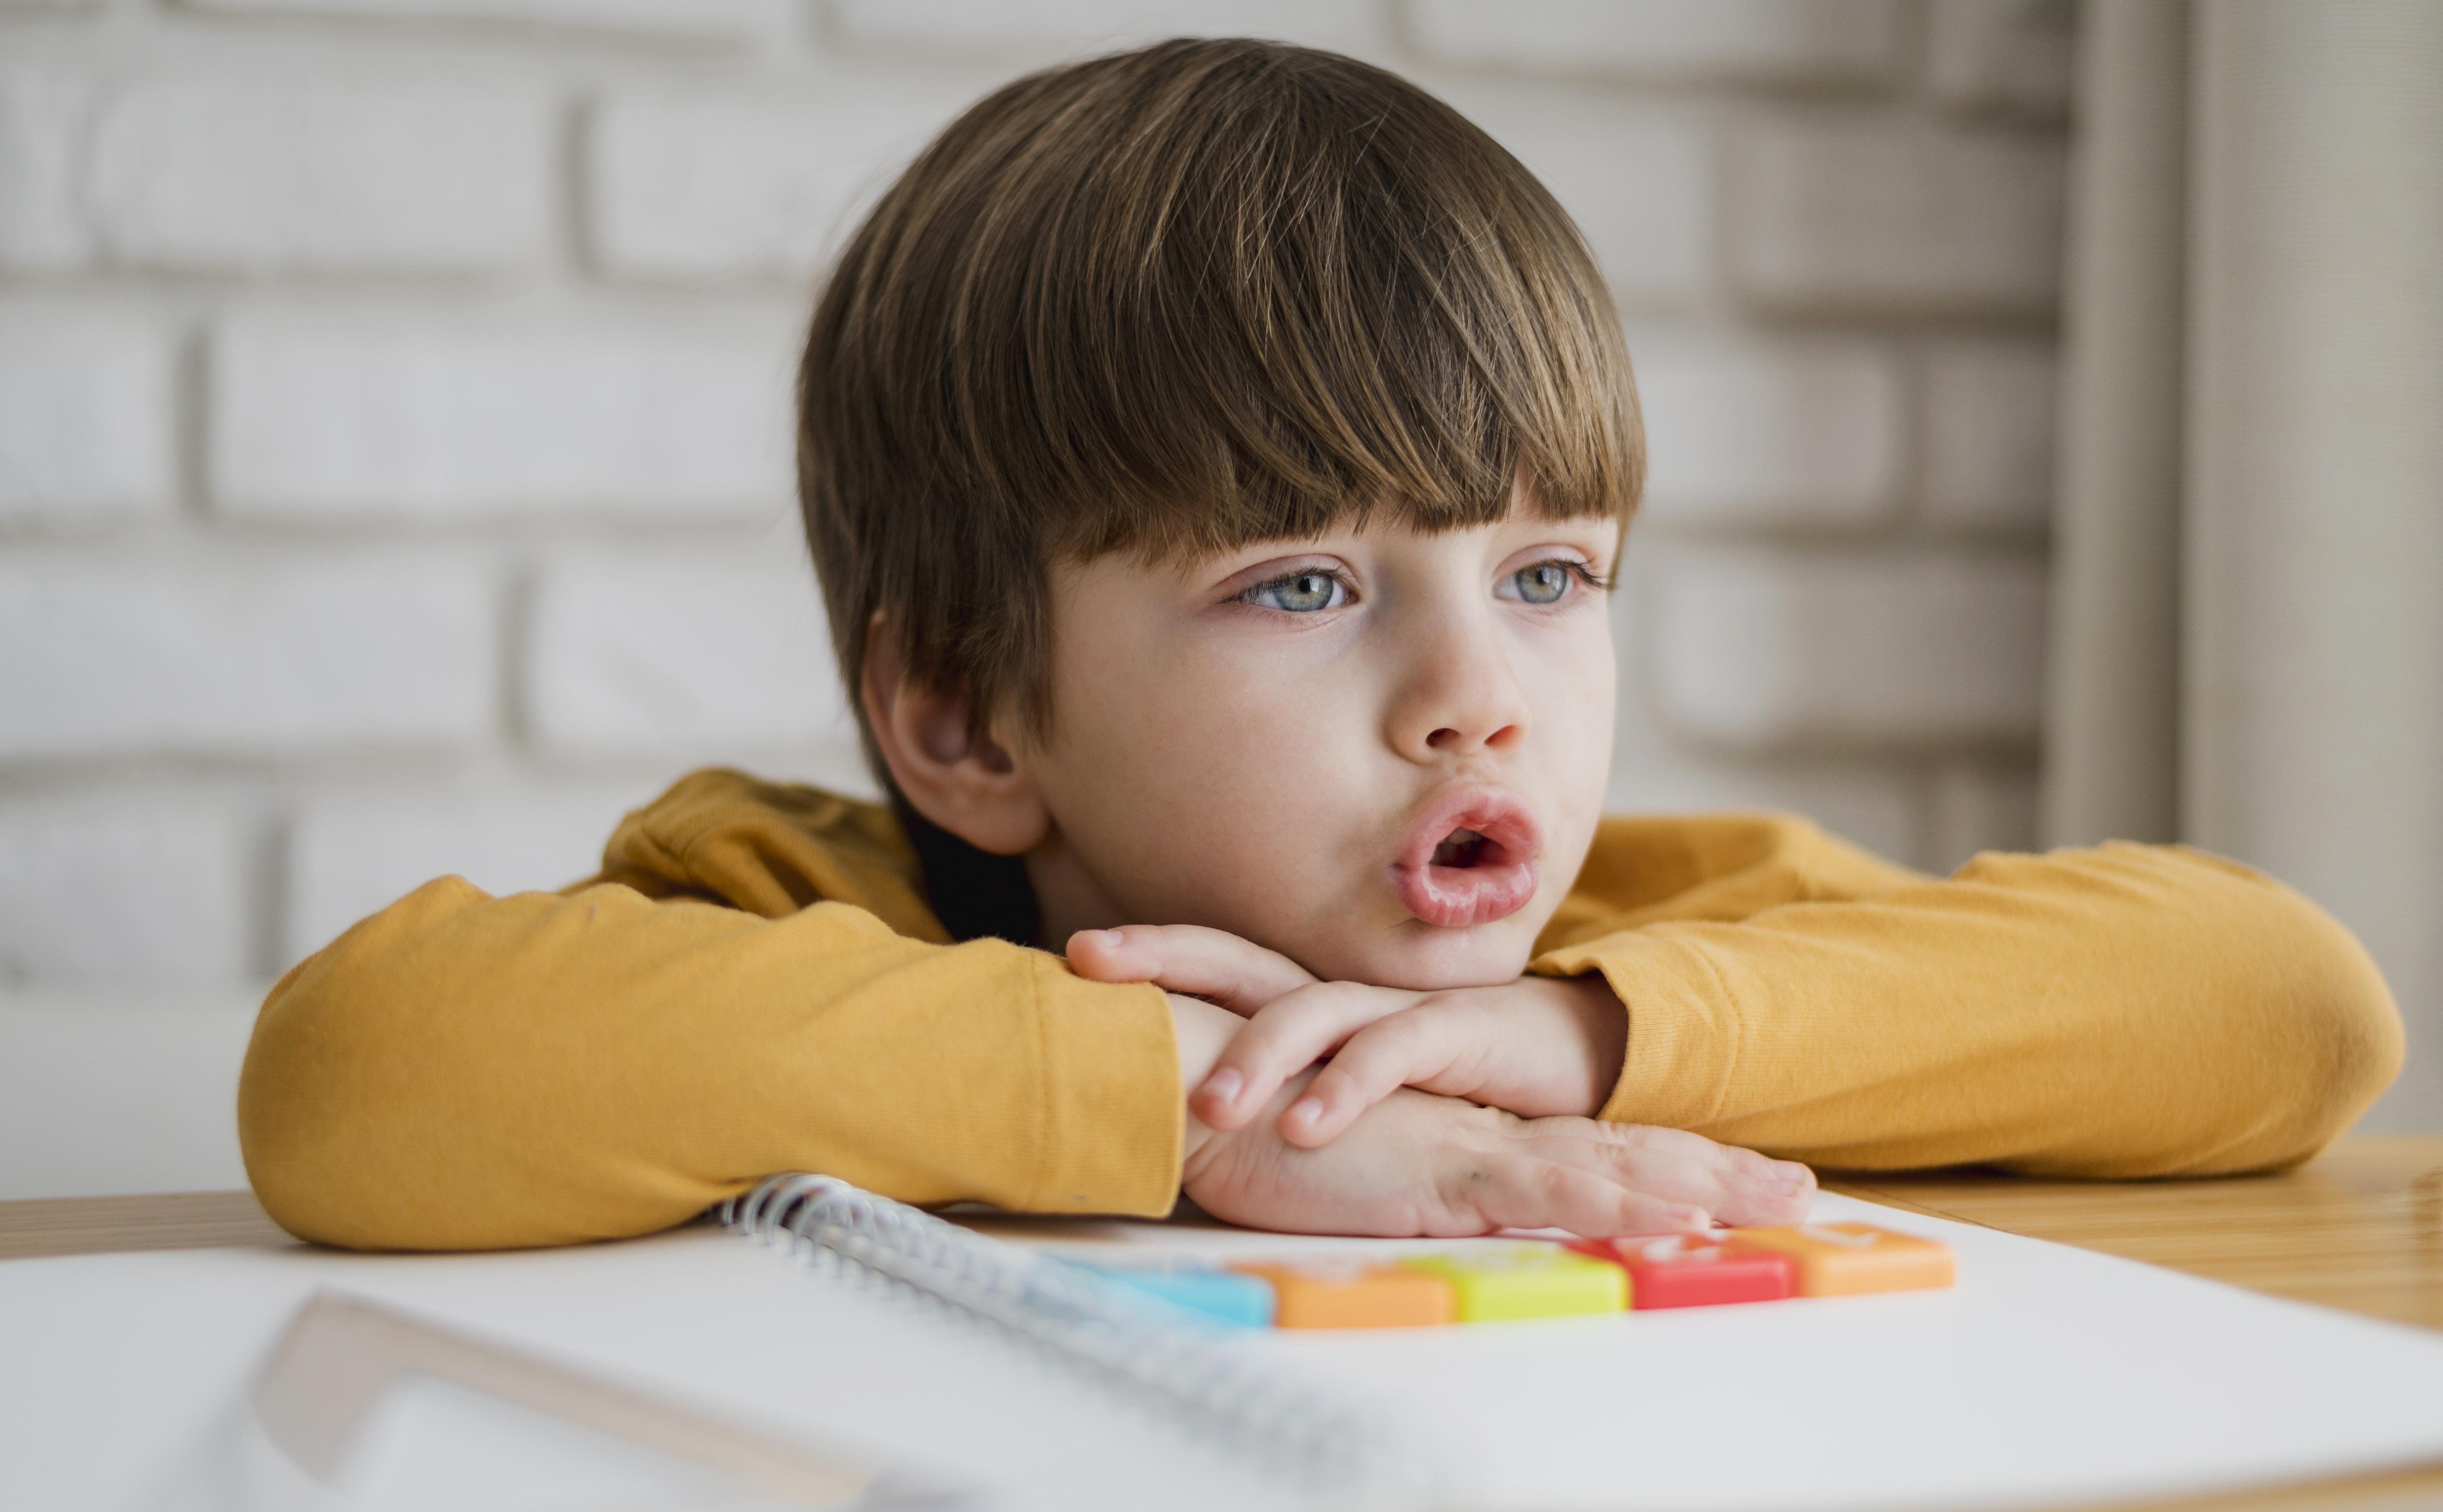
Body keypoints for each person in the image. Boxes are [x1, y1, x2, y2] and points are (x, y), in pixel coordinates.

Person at [237, 39, 2402, 1252]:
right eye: (1301, 584)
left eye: (1546, 574)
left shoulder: (1641, 941)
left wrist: (1559, 1048)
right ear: (966, 716)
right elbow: (360, 1084)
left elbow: (2283, 1011)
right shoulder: (812, 917)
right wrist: (1202, 1095)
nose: (1481, 691)